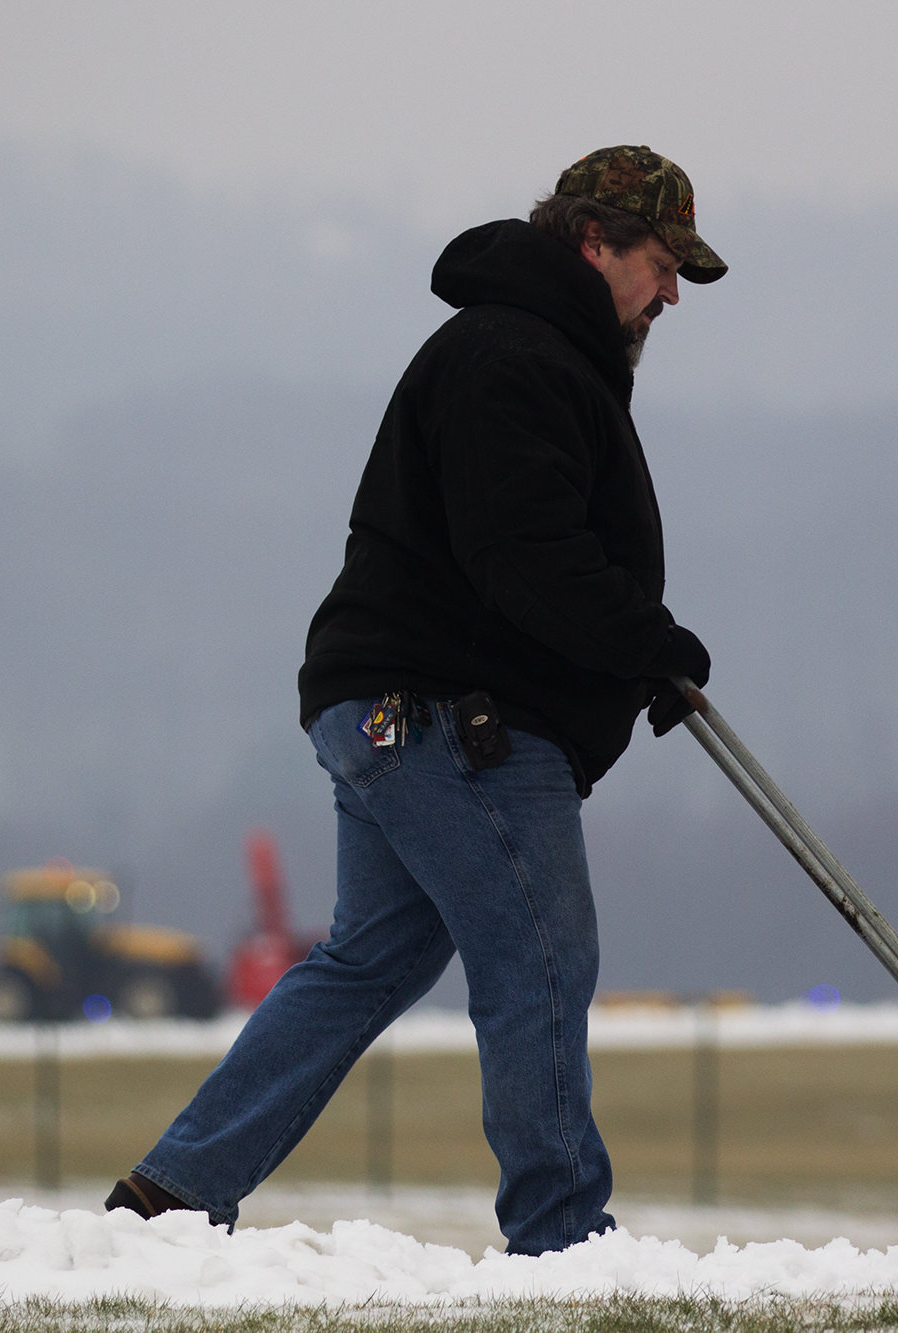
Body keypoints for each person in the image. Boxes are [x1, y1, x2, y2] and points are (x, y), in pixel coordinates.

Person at [105, 145, 725, 1256]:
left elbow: (523, 553)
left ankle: (171, 1195)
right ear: (592, 241)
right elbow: (523, 558)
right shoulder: (513, 357)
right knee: (539, 955)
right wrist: (649, 643)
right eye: (661, 261)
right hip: (456, 720)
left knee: (369, 960)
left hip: (394, 713)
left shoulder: (529, 351)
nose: (672, 290)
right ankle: (563, 1238)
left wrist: (634, 651)